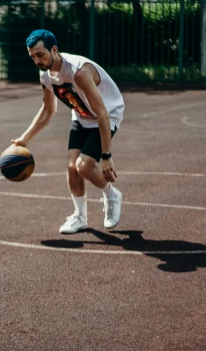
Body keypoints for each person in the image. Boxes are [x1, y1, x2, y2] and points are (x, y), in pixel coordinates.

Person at [12, 29, 125, 234]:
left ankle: (112, 195)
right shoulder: (45, 76)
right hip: (82, 116)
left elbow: (102, 113)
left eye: (40, 54)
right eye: (32, 57)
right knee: (72, 168)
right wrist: (24, 139)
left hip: (107, 115)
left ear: (54, 50)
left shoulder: (78, 72)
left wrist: (107, 156)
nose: (37, 60)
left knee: (84, 166)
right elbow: (48, 110)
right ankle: (80, 217)